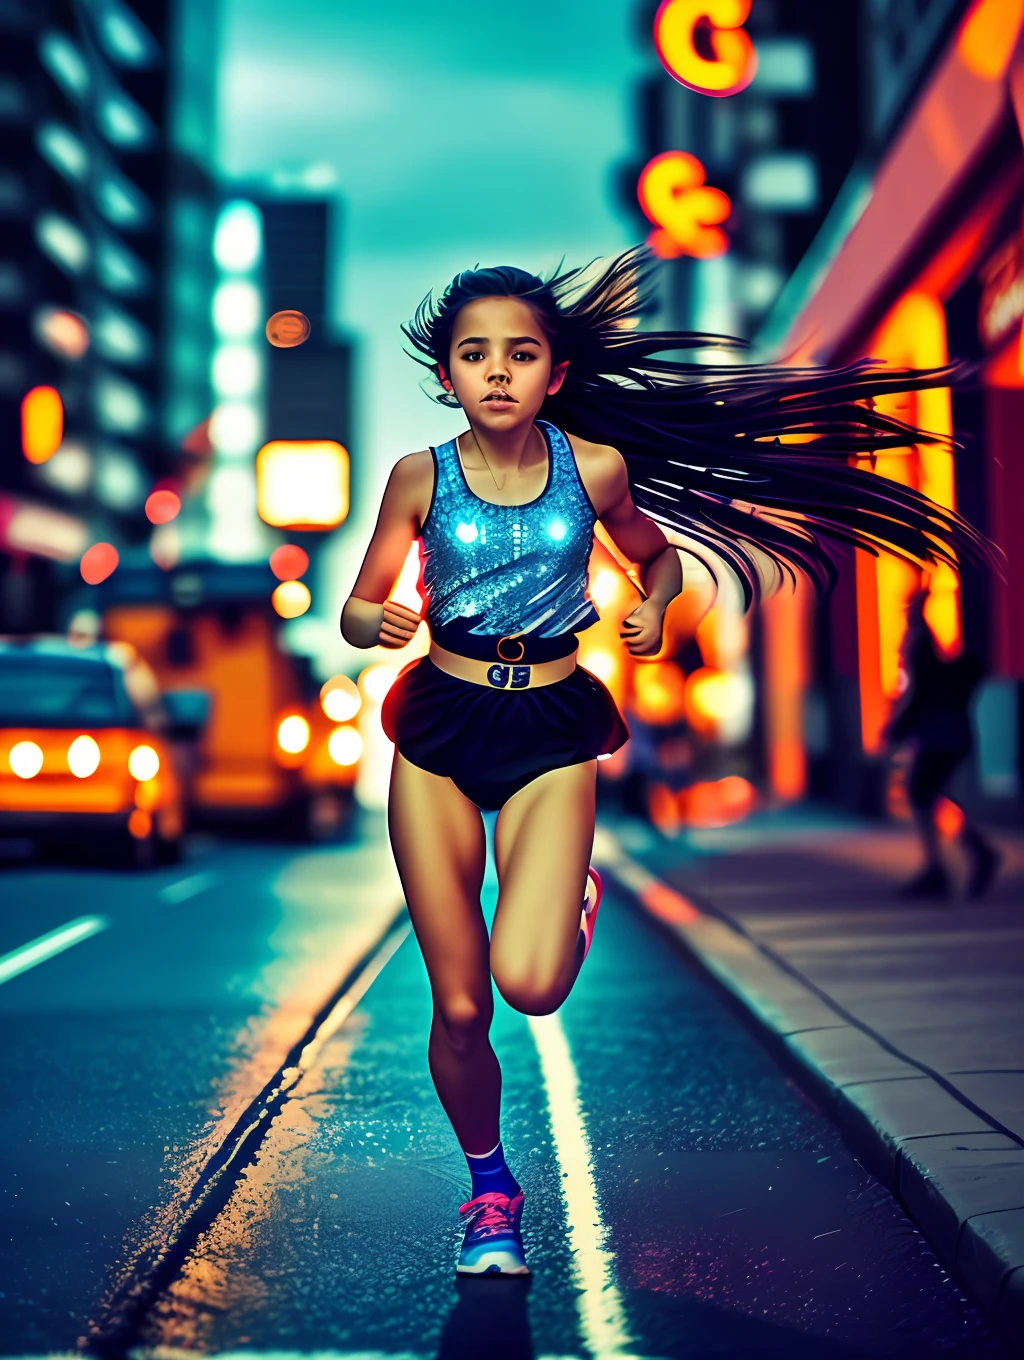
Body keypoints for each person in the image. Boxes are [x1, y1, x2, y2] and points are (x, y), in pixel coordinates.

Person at [341, 248, 991, 1276]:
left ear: (555, 372)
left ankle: (573, 897)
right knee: (461, 1004)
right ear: (447, 374)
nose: (497, 372)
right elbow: (361, 595)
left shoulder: (593, 467)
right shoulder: (416, 477)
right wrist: (370, 615)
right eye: (475, 355)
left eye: (520, 353)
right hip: (437, 733)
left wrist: (649, 603)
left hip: (553, 726)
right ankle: (491, 1195)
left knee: (533, 984)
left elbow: (655, 555)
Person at [889, 590, 1000, 899]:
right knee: (928, 795)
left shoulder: (920, 643)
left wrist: (897, 727)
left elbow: (918, 692)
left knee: (923, 794)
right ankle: (957, 857)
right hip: (948, 734)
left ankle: (955, 860)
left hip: (940, 735)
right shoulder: (925, 642)